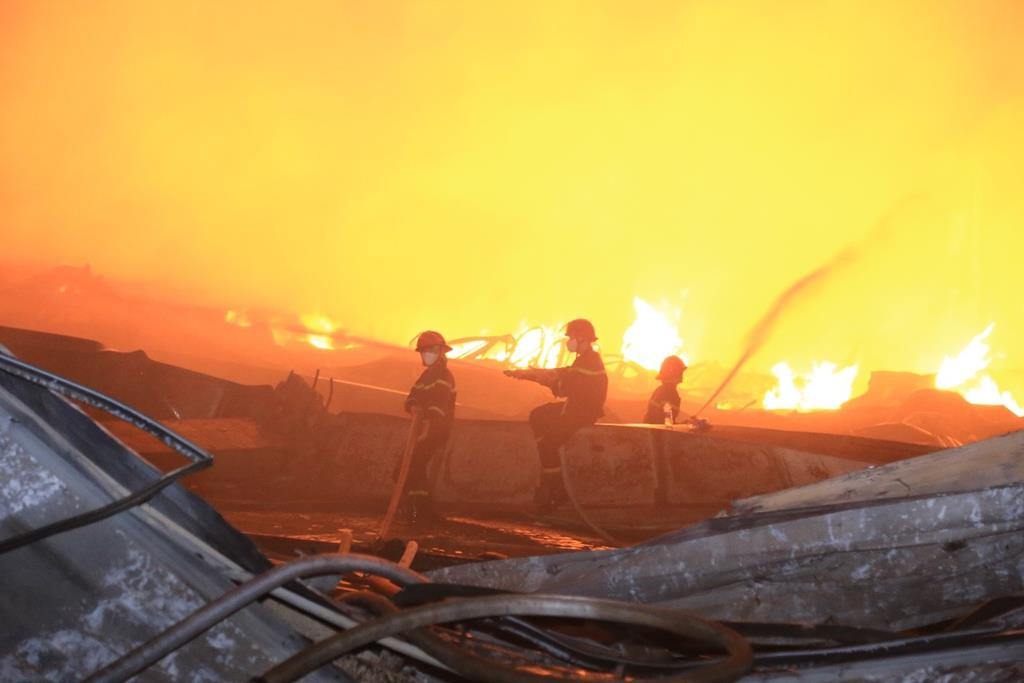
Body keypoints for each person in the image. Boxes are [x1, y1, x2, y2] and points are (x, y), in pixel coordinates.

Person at [505, 318, 607, 511]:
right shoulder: (585, 359)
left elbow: (564, 387)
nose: (569, 341)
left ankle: (556, 489)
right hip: (576, 408)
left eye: (571, 337)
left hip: (581, 413)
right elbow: (564, 372)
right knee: (538, 415)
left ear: (582, 338)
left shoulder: (588, 362)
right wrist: (530, 374)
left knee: (548, 445)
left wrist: (542, 379)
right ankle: (550, 465)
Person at [402, 330, 456, 522]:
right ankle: (420, 510)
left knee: (411, 467)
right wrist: (412, 406)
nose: (427, 354)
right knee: (406, 469)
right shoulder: (426, 376)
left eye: (431, 350)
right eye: (424, 351)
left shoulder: (444, 376)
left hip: (435, 431)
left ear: (441, 351)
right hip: (422, 430)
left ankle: (420, 511)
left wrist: (425, 422)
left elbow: (438, 405)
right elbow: (411, 397)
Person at [643, 355, 686, 425]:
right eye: (680, 372)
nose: (681, 375)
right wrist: (686, 425)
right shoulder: (670, 394)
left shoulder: (660, 390)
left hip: (651, 430)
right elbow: (667, 424)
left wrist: (684, 424)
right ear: (674, 373)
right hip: (657, 431)